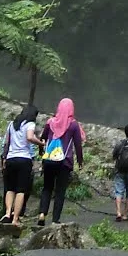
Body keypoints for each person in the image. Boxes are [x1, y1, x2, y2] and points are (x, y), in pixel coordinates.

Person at [37, 96, 84, 225]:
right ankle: (55, 220)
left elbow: (43, 139)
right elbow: (78, 144)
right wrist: (80, 161)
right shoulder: (73, 125)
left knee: (47, 188)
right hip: (64, 162)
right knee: (60, 191)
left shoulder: (50, 122)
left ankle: (42, 214)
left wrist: (42, 153)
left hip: (49, 161)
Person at [0, 105, 40, 225]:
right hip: (24, 159)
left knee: (10, 188)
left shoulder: (12, 124)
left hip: (11, 159)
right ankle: (15, 218)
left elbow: (6, 143)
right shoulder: (30, 124)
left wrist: (3, 158)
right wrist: (40, 143)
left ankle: (7, 213)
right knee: (21, 190)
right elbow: (29, 137)